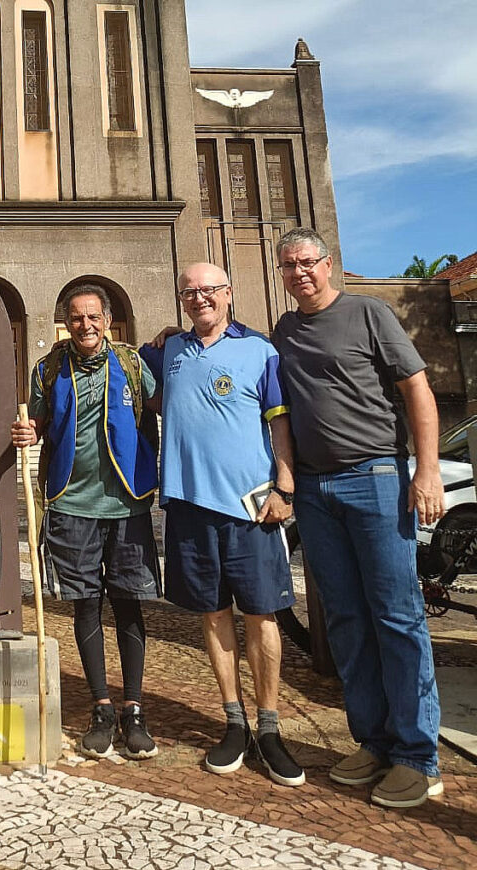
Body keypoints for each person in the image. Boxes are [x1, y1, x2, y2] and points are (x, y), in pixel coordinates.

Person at [272, 227, 444, 808]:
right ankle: (372, 739)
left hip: (375, 477)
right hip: (317, 491)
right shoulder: (285, 331)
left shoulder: (369, 314)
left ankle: (418, 756)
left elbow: (417, 389)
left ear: (329, 264)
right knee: (345, 618)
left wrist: (427, 470)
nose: (300, 272)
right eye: (288, 265)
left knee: (397, 616)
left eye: (308, 262)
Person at [140, 263, 305, 787]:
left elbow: (281, 423)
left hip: (251, 509)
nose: (199, 299)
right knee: (212, 618)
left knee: (262, 616)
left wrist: (285, 487)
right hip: (189, 506)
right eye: (189, 292)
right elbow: (127, 374)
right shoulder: (166, 353)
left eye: (208, 290)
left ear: (229, 294)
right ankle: (234, 722)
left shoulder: (260, 351)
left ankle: (271, 728)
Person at [11, 284, 161, 759]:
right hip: (72, 504)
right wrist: (25, 431)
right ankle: (101, 707)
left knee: (129, 603)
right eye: (76, 318)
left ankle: (133, 709)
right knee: (85, 605)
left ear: (108, 320)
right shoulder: (49, 369)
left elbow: (168, 405)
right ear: (66, 322)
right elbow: (35, 423)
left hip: (128, 504)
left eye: (93, 317)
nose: (85, 326)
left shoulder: (135, 365)